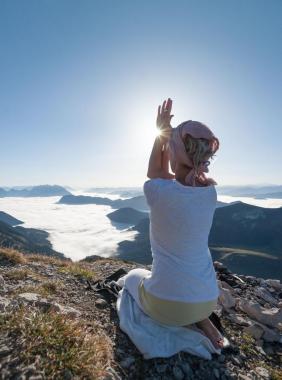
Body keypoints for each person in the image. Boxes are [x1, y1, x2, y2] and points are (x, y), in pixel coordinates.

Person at [122, 97, 225, 349]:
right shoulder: (210, 193)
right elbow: (173, 176)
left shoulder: (158, 190)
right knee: (184, 280)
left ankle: (185, 317)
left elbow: (154, 173)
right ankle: (202, 321)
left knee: (133, 277)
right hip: (207, 299)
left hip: (166, 306)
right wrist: (170, 136)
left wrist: (161, 132)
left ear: (175, 151)